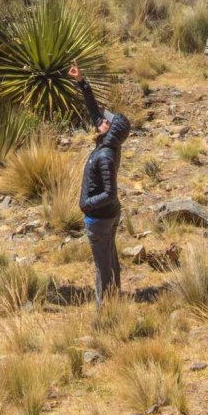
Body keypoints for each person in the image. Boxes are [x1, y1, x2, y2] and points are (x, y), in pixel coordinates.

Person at [68, 62, 131, 301]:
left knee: (102, 267)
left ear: (110, 130)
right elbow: (94, 111)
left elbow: (110, 193)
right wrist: (82, 82)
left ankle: (105, 309)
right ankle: (114, 300)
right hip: (108, 215)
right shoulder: (109, 143)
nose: (101, 120)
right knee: (109, 260)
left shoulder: (105, 156)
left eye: (106, 121)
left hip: (100, 218)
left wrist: (86, 204)